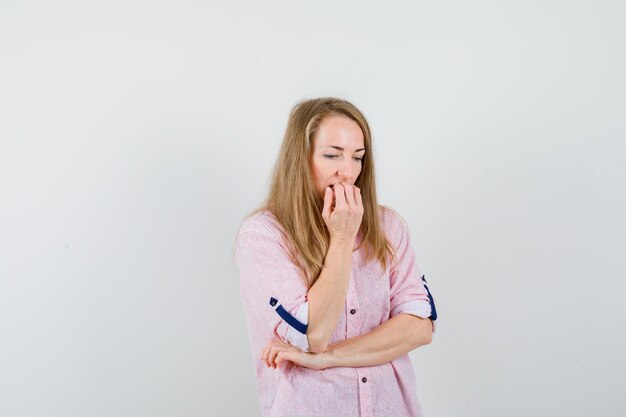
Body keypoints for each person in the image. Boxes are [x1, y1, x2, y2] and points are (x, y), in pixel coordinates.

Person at [235, 97, 438, 417]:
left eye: (357, 157)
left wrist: (329, 357)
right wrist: (342, 238)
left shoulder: (389, 226)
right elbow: (311, 334)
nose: (348, 171)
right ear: (300, 159)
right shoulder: (263, 236)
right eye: (332, 155)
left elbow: (419, 327)